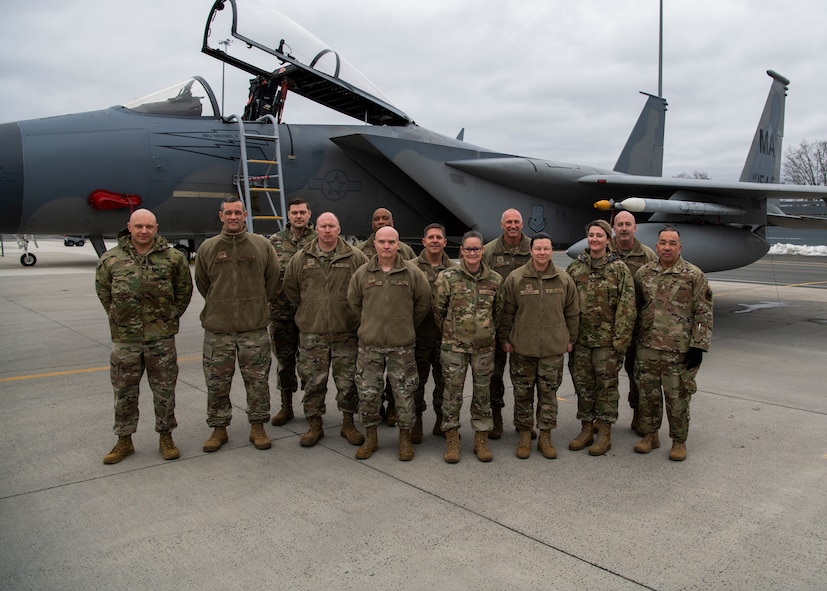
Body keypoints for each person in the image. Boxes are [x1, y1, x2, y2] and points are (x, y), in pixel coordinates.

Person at [96, 208, 193, 464]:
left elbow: (184, 291)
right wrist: (120, 318)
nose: (143, 231)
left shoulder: (173, 258)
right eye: (138, 226)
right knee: (124, 392)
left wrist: (168, 318)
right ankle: (124, 440)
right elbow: (104, 292)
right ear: (129, 227)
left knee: (164, 391)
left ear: (156, 228)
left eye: (149, 227)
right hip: (125, 340)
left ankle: (166, 437)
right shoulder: (111, 259)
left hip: (161, 338)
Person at [195, 196, 281, 453]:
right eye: (228, 213)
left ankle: (258, 426)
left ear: (245, 215)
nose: (233, 217)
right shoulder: (208, 248)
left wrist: (256, 305)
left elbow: (272, 280)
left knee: (257, 382)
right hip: (218, 329)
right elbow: (203, 283)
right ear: (221, 216)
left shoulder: (262, 245)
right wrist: (220, 304)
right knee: (217, 383)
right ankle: (219, 428)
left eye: (237, 213)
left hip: (253, 328)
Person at [282, 212, 369, 448]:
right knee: (313, 382)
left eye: (332, 226)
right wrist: (311, 310)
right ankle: (315, 425)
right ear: (317, 229)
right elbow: (291, 289)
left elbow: (365, 288)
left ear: (339, 229)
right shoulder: (301, 258)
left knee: (348, 382)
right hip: (313, 333)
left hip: (346, 333)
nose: (327, 230)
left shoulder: (355, 257)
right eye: (323, 226)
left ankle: (348, 424)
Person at [347, 226, 431, 461]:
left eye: (391, 242)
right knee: (368, 394)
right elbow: (354, 302)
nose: (386, 246)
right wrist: (370, 324)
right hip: (370, 347)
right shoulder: (362, 273)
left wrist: (405, 325)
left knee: (404, 395)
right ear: (375, 243)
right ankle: (371, 438)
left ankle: (404, 439)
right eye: (382, 241)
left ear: (398, 244)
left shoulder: (412, 273)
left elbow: (423, 302)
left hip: (401, 347)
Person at [633, 226, 713, 461]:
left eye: (672, 243)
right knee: (648, 396)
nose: (666, 247)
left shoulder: (693, 275)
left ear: (679, 247)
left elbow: (704, 312)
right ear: (656, 246)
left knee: (677, 399)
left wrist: (698, 346)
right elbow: (636, 307)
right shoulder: (644, 274)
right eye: (663, 242)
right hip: (647, 347)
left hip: (678, 351)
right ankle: (650, 435)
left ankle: (679, 441)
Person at [498, 233, 579, 460]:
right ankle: (525, 434)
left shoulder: (563, 279)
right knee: (522, 394)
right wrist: (505, 339)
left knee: (548, 395)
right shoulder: (516, 278)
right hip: (522, 348)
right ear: (531, 251)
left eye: (546, 248)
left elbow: (572, 312)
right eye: (538, 249)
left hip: (552, 350)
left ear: (551, 250)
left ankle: (545, 436)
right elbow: (507, 312)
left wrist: (571, 339)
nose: (542, 253)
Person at [566, 220, 636, 456]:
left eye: (599, 235)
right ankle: (587, 428)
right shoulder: (575, 268)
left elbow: (627, 308)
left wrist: (619, 342)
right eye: (591, 235)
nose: (594, 239)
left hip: (607, 343)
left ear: (608, 239)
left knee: (606, 388)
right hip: (581, 342)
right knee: (583, 386)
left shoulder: (619, 269)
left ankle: (604, 431)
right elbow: (566, 305)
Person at [433, 231, 503, 464]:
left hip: (484, 349)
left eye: (476, 249)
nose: (472, 253)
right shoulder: (447, 277)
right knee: (452, 394)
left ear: (482, 250)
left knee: (482, 394)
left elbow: (498, 313)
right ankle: (452, 438)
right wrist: (452, 332)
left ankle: (481, 440)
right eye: (468, 249)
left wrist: (485, 332)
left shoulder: (494, 279)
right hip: (454, 348)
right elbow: (438, 311)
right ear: (461, 251)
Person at [356, 207, 415, 426]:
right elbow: (355, 297)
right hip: (372, 333)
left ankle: (392, 408)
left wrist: (404, 321)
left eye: (385, 218)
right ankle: (376, 409)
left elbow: (419, 297)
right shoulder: (360, 252)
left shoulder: (406, 252)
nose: (381, 221)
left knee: (399, 380)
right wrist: (368, 320)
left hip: (399, 334)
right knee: (370, 380)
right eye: (377, 219)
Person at [483, 208, 531, 439]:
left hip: (525, 324)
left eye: (516, 222)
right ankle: (496, 419)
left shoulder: (533, 249)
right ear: (502, 225)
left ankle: (524, 422)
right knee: (494, 376)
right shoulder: (489, 251)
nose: (513, 226)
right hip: (496, 323)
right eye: (508, 222)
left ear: (522, 224)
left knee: (526, 378)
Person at [268, 198, 317, 427]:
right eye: (294, 213)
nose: (299, 216)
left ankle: (312, 410)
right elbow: (266, 274)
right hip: (281, 314)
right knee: (284, 362)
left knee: (310, 365)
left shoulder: (318, 241)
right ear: (288, 215)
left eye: (302, 212)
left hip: (310, 316)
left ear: (309, 214)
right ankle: (286, 407)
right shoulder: (274, 242)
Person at [611, 211, 656, 435]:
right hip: (609, 327)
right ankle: (602, 421)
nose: (624, 228)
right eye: (620, 224)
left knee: (638, 374)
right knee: (606, 375)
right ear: (614, 228)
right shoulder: (603, 251)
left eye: (628, 224)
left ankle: (639, 415)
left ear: (635, 228)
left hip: (638, 328)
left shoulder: (647, 255)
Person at [412, 223, 457, 440]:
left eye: (439, 237)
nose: (435, 241)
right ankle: (416, 423)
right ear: (424, 241)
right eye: (431, 237)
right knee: (416, 383)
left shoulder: (455, 270)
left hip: (445, 339)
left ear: (445, 242)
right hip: (418, 337)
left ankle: (441, 422)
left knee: (444, 384)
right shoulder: (411, 268)